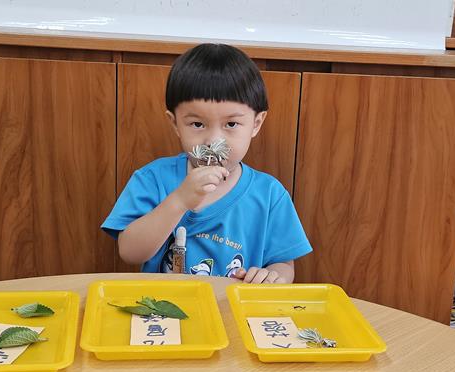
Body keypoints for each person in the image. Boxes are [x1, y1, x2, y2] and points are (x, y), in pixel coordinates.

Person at [101, 43, 312, 284]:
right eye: (197, 124)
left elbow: (284, 264)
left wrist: (273, 276)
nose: (213, 141)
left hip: (233, 304)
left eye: (231, 124)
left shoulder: (270, 194)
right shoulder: (152, 179)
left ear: (256, 124)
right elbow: (129, 252)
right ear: (175, 124)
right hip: (167, 305)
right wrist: (179, 200)